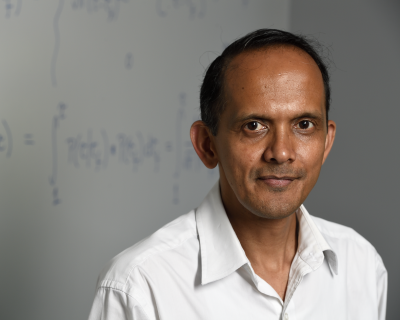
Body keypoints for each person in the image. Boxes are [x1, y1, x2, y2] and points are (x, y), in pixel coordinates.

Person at [88, 29, 387, 320]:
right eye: (254, 126)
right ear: (207, 145)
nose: (281, 152)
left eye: (304, 125)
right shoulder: (138, 287)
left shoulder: (361, 265)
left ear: (326, 142)